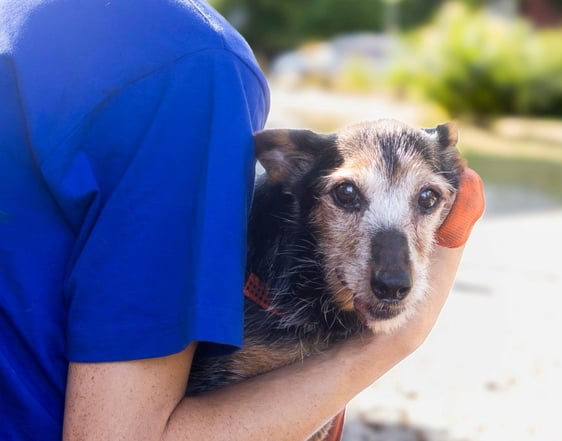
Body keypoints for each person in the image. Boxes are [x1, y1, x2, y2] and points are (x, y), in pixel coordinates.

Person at [0, 0, 484, 440]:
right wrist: (394, 342)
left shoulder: (20, 16)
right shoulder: (193, 63)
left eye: (427, 199)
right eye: (348, 194)